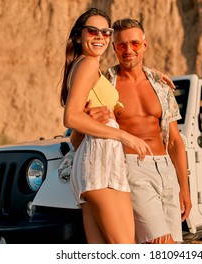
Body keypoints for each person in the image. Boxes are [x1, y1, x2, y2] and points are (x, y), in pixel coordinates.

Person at [72, 18, 192, 244]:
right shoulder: (104, 83)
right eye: (121, 45)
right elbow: (77, 126)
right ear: (114, 47)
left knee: (173, 245)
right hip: (132, 166)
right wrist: (89, 117)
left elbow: (175, 141)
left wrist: (184, 187)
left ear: (144, 45)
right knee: (160, 242)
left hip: (165, 168)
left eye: (135, 44)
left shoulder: (161, 85)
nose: (128, 50)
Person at [60, 8, 153, 244]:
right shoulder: (88, 64)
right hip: (101, 164)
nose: (100, 36)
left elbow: (75, 137)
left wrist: (155, 75)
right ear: (79, 36)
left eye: (106, 31)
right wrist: (125, 136)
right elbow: (70, 118)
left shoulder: (82, 66)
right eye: (93, 31)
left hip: (93, 163)